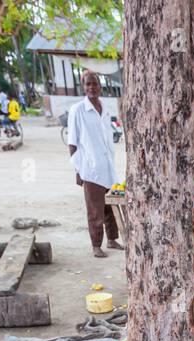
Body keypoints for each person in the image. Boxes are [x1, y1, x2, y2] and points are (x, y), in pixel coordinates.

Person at [67, 70, 122, 258]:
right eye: (88, 84)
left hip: (107, 166)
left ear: (100, 86)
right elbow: (73, 143)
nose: (91, 87)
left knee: (110, 206)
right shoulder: (78, 110)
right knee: (95, 209)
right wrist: (78, 170)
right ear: (83, 87)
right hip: (90, 168)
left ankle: (112, 239)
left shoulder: (104, 108)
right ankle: (96, 245)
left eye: (94, 84)